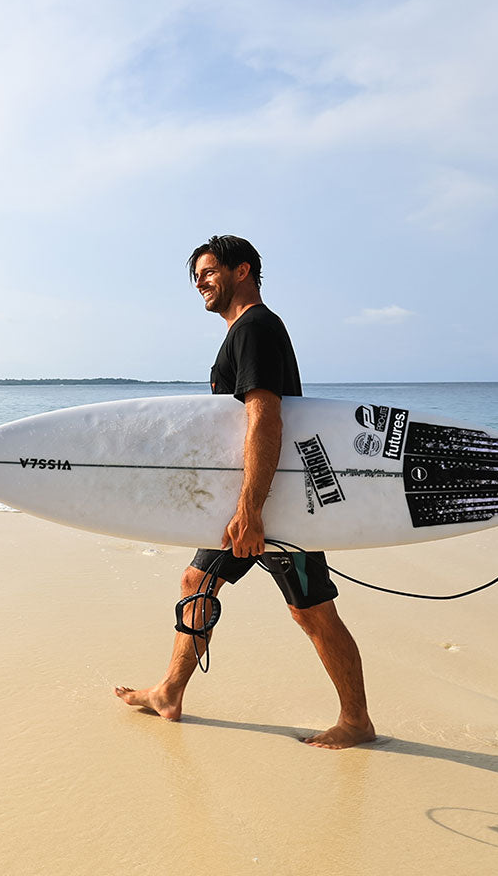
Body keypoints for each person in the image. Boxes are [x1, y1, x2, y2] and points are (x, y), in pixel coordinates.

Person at [115, 235, 375, 749]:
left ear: (243, 270)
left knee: (312, 609)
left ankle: (356, 721)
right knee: (197, 579)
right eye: (197, 276)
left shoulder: (255, 328)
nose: (201, 283)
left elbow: (265, 417)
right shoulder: (243, 331)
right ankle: (170, 690)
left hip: (273, 503)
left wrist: (252, 509)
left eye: (210, 272)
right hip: (257, 498)